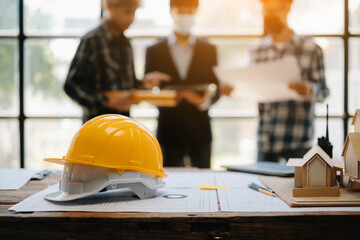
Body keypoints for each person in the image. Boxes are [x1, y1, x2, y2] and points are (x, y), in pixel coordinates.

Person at [64, 0, 170, 123]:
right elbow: (71, 86)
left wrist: (143, 83)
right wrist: (106, 101)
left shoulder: (125, 44)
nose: (131, 18)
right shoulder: (92, 40)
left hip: (124, 124)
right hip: (98, 125)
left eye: (134, 13)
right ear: (109, 6)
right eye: (127, 12)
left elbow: (128, 86)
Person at [252, 0, 329, 162]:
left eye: (273, 10)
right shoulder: (257, 50)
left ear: (287, 7)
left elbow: (323, 92)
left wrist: (309, 90)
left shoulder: (310, 49)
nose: (269, 15)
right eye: (266, 11)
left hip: (298, 141)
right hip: (266, 141)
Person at [145, 0, 219, 168]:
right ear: (172, 10)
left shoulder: (209, 50)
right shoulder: (155, 50)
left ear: (195, 12)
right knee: (168, 184)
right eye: (181, 10)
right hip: (169, 131)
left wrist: (202, 102)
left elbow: (217, 88)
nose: (185, 15)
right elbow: (148, 90)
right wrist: (165, 98)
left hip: (200, 131)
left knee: (203, 185)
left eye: (189, 10)